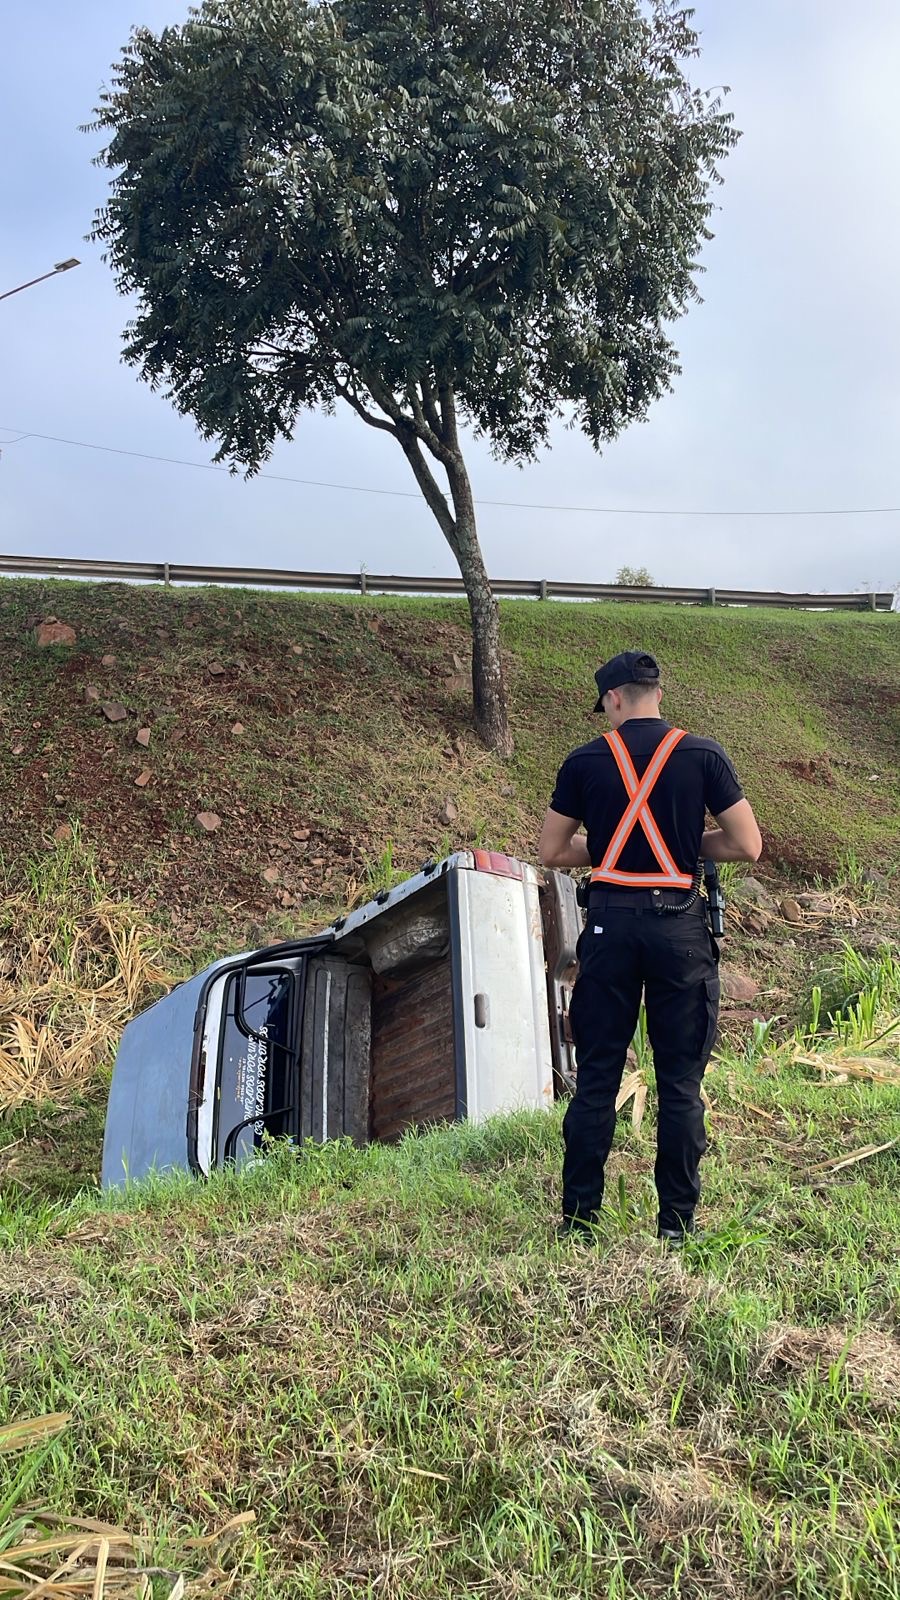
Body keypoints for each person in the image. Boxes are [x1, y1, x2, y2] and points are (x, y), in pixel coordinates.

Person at [538, 649, 762, 1245]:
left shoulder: (585, 761)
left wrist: (612, 852)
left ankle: (580, 1224)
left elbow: (554, 852)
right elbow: (747, 845)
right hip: (681, 932)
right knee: (680, 1085)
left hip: (610, 931)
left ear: (612, 699)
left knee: (597, 1081)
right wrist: (686, 846)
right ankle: (676, 1231)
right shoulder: (703, 755)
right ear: (656, 694)